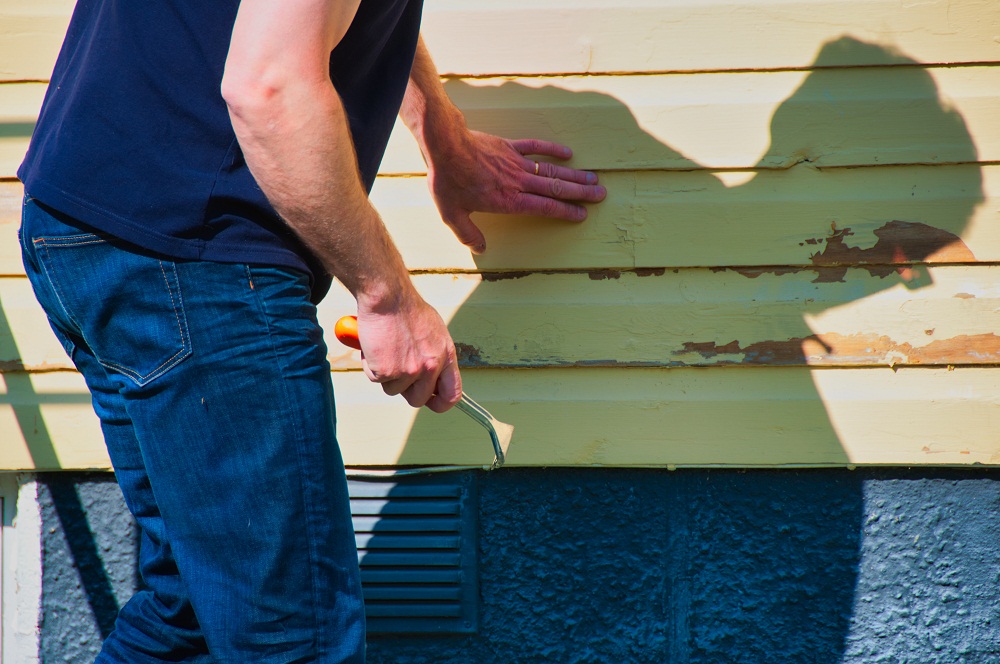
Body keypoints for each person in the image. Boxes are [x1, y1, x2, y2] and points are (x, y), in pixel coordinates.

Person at [17, 0, 606, 661]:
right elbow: (268, 86)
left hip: (81, 223)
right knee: (294, 641)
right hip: (194, 257)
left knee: (186, 613)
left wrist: (440, 127)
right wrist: (389, 297)